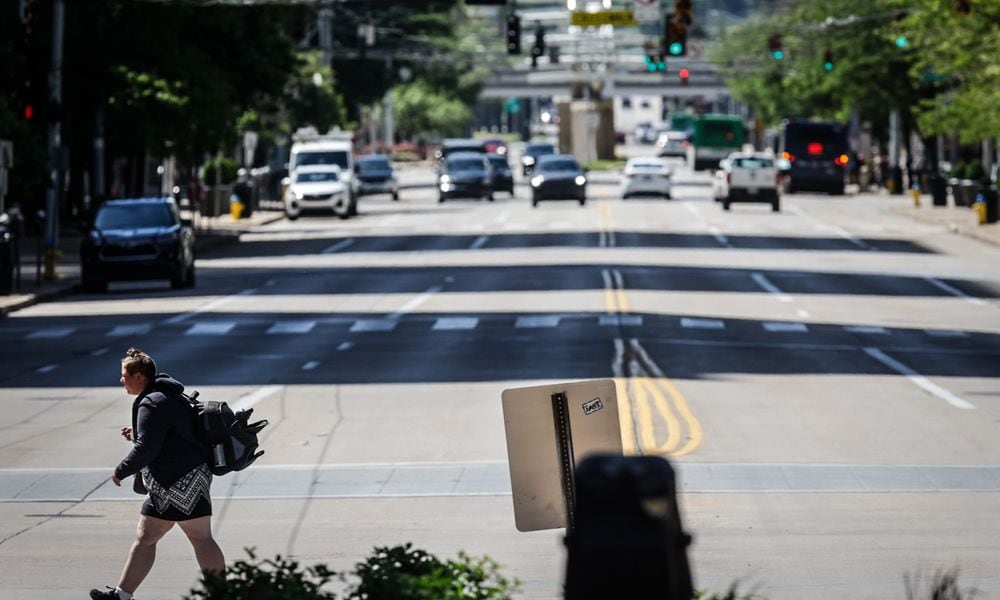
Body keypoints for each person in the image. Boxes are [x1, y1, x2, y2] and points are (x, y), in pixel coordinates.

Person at [90, 348, 224, 600]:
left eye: (124, 375)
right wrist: (138, 433)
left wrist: (121, 470)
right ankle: (121, 595)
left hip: (179, 482)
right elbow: (167, 435)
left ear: (138, 376)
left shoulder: (151, 402)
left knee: (200, 537)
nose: (121, 381)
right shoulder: (165, 395)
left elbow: (147, 448)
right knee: (146, 536)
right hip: (175, 480)